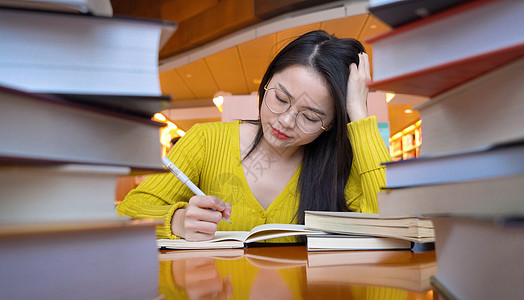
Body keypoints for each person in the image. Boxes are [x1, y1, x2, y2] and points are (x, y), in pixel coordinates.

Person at [117, 30, 391, 241]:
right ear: (266, 83)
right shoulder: (205, 140)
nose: (285, 121)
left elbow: (390, 226)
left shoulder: (336, 166)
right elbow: (128, 211)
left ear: (331, 124)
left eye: (310, 117)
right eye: (281, 98)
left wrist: (358, 113)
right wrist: (176, 220)